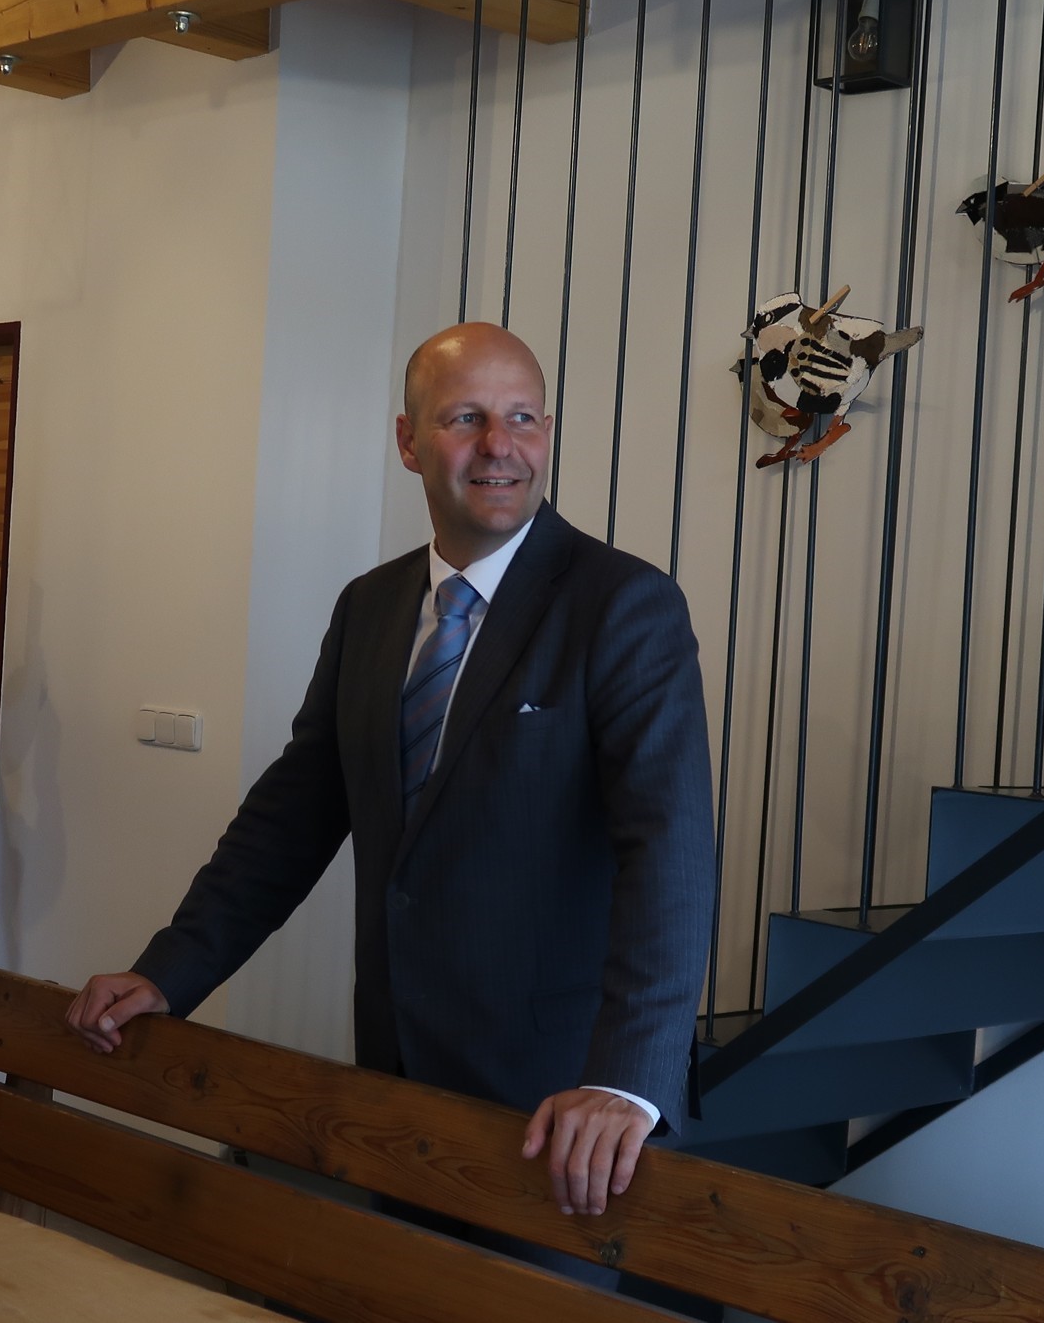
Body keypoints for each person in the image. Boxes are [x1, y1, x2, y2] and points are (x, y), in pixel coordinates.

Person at [66, 323, 715, 1247]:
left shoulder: (623, 606)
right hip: (398, 1076)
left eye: (524, 417)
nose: (501, 445)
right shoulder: (369, 608)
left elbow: (670, 858)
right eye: (466, 417)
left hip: (565, 1110)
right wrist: (169, 970)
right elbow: (290, 818)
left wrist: (625, 1081)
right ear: (409, 441)